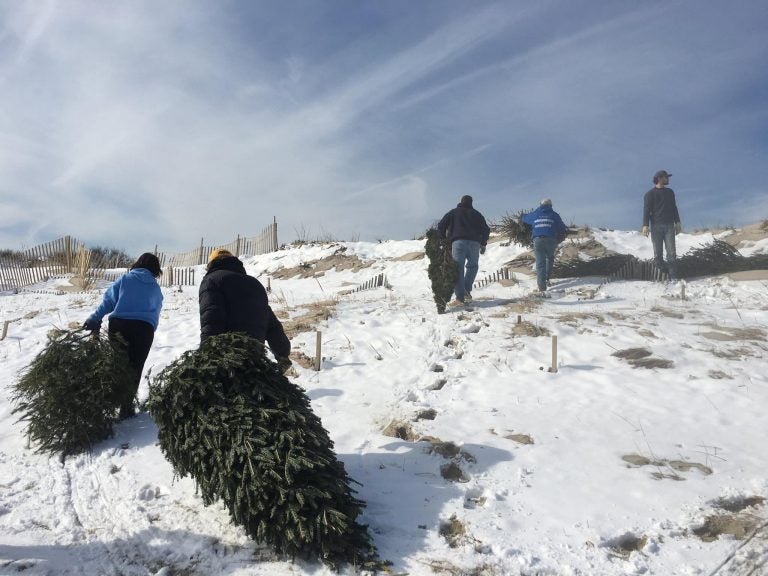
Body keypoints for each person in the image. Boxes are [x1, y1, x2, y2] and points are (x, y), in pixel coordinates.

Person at [84, 253, 164, 419]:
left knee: (118, 365)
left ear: (138, 263)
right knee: (136, 367)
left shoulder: (125, 280)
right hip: (144, 329)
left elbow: (108, 301)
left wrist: (95, 318)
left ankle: (109, 401)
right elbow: (156, 311)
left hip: (120, 326)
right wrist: (149, 328)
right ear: (155, 269)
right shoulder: (155, 288)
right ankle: (126, 407)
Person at [199, 248, 292, 372]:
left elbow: (211, 319)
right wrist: (283, 355)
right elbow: (271, 324)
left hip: (226, 360)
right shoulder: (255, 284)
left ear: (211, 265)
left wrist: (206, 355)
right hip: (254, 359)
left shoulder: (211, 281)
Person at [437, 195, 491, 306]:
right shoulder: (477, 214)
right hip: (474, 244)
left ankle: (460, 297)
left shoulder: (454, 212)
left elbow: (441, 225)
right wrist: (483, 243)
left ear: (461, 201)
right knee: (472, 266)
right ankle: (466, 290)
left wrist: (442, 239)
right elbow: (486, 229)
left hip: (458, 242)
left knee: (457, 269)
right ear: (472, 203)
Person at [642, 169, 682, 279]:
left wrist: (677, 222)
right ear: (659, 178)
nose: (668, 179)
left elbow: (674, 208)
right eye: (666, 177)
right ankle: (661, 277)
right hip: (655, 227)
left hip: (669, 226)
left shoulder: (670, 192)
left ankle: (673, 277)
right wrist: (645, 225)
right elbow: (646, 210)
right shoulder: (649, 194)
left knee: (671, 253)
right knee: (658, 254)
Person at [522, 198, 567, 294]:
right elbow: (562, 227)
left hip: (538, 240)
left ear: (540, 205)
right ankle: (547, 278)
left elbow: (525, 218)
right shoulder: (554, 215)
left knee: (540, 263)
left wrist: (522, 216)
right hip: (551, 240)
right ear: (550, 205)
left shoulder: (535, 214)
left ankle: (542, 287)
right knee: (550, 258)